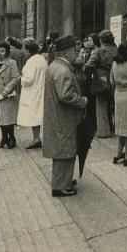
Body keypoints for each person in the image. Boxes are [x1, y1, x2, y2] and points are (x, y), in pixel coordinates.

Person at [43, 35, 88, 197]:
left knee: (62, 149)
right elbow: (65, 96)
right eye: (75, 50)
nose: (77, 52)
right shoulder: (63, 70)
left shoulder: (54, 66)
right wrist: (82, 101)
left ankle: (64, 180)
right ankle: (60, 187)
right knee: (65, 150)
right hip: (64, 117)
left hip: (57, 116)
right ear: (68, 52)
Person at [84, 30, 117, 138]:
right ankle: (114, 128)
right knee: (113, 104)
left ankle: (104, 131)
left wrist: (93, 73)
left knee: (101, 104)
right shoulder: (117, 50)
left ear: (101, 39)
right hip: (115, 78)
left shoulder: (99, 51)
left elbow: (88, 66)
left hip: (102, 78)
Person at [0, 42, 21, 149]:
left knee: (8, 119)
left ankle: (11, 138)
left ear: (7, 52)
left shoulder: (11, 63)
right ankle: (3, 139)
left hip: (7, 95)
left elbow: (16, 78)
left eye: (2, 51)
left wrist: (5, 92)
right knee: (0, 118)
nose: (0, 53)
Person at [17, 37, 47, 149]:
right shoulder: (41, 59)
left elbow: (28, 80)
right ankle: (37, 138)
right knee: (38, 115)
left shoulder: (31, 62)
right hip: (40, 90)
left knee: (34, 115)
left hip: (33, 92)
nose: (23, 51)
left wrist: (21, 79)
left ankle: (36, 139)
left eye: (24, 49)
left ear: (28, 50)